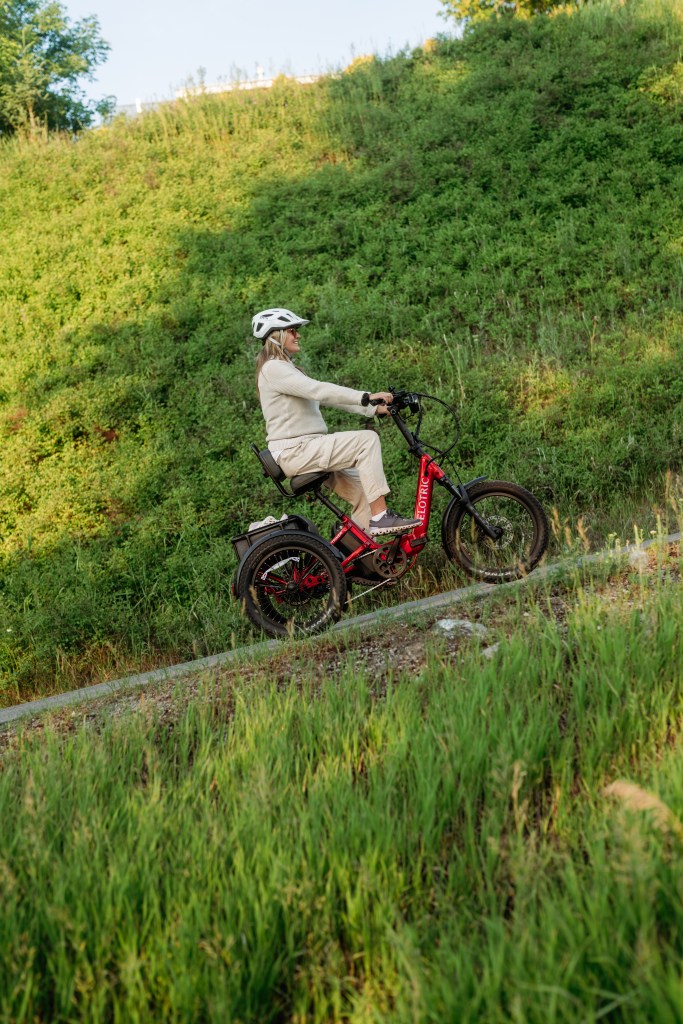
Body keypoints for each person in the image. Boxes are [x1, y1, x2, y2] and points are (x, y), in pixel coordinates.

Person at [252, 307, 421, 536]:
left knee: (363, 493)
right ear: (276, 335)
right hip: (297, 451)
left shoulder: (282, 368)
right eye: (292, 330)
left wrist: (372, 408)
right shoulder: (274, 368)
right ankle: (382, 518)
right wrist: (365, 396)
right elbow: (319, 390)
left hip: (306, 449)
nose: (297, 335)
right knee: (367, 440)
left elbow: (324, 398)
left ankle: (366, 563)